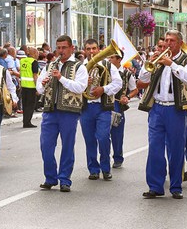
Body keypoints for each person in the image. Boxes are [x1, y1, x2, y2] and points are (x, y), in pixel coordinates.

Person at [138, 30, 187, 200]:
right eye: (166, 40)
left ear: (179, 43)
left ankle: (176, 186)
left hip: (175, 109)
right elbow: (142, 77)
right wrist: (149, 63)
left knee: (176, 148)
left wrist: (171, 64)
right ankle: (155, 186)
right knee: (154, 148)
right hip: (157, 108)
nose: (168, 44)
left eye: (172, 41)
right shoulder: (157, 59)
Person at [36, 35, 88, 192]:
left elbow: (80, 88)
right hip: (50, 111)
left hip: (69, 112)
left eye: (64, 48)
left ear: (72, 48)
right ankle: (50, 177)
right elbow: (39, 88)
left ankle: (64, 178)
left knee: (67, 146)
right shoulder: (50, 65)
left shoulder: (80, 67)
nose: (60, 51)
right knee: (46, 146)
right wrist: (43, 85)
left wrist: (61, 78)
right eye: (58, 47)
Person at [80, 39, 122, 181]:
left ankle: (105, 167)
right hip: (86, 108)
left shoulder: (108, 66)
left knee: (103, 137)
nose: (91, 52)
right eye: (88, 49)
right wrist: (84, 83)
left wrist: (103, 89)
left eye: (93, 48)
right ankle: (93, 169)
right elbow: (73, 86)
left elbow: (118, 83)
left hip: (102, 107)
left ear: (98, 49)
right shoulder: (80, 67)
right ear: (84, 51)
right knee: (89, 140)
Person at [108, 53, 138, 169]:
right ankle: (104, 157)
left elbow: (135, 89)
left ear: (119, 59)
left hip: (117, 104)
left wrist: (128, 97)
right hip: (105, 103)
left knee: (117, 134)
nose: (109, 59)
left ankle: (117, 158)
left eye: (112, 57)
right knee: (103, 133)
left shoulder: (127, 73)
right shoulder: (105, 70)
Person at [19, 47, 39, 128]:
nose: (38, 55)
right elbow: (35, 76)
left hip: (24, 86)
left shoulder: (22, 61)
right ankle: (28, 122)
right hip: (31, 87)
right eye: (37, 53)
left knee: (25, 105)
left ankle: (25, 121)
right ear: (33, 53)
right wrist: (37, 87)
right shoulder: (34, 62)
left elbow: (21, 73)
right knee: (30, 106)